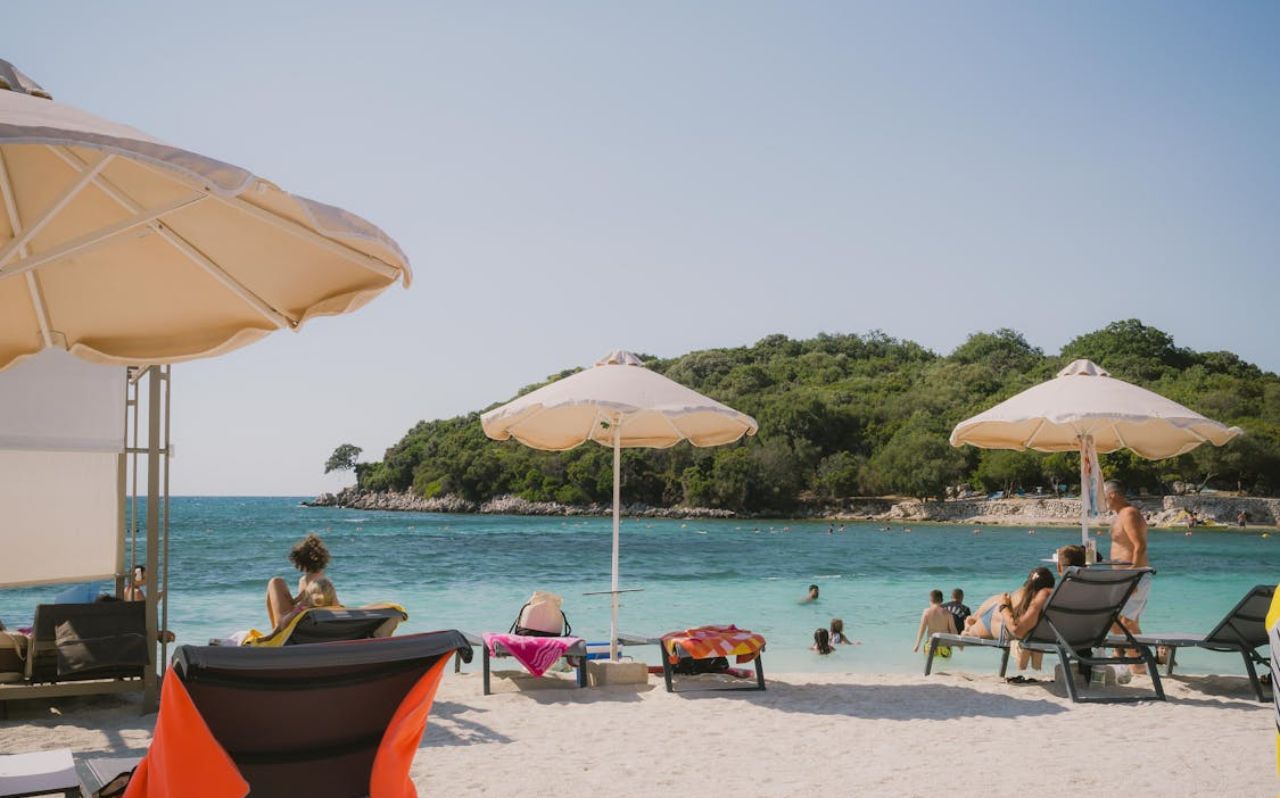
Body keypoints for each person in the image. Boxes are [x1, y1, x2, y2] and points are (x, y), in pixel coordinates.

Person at [962, 568, 1057, 670]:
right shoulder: (1046, 600)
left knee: (972, 623)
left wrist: (1003, 606)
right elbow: (1018, 630)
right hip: (999, 615)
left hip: (998, 610)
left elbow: (1017, 629)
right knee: (971, 627)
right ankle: (968, 624)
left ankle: (968, 624)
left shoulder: (1027, 597)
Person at [1106, 480, 1151, 673]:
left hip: (1133, 574)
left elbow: (1139, 546)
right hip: (1122, 575)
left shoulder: (1129, 514)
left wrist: (1132, 576)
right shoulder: (1119, 516)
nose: (1102, 500)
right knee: (1120, 621)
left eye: (1103, 495)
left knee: (1125, 622)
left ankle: (1139, 664)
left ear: (1113, 494)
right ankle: (1133, 665)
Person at [266, 533, 340, 631]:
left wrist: (291, 601)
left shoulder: (305, 580)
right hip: (319, 622)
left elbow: (298, 602)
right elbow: (336, 606)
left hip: (297, 624)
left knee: (275, 582)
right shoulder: (326, 582)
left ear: (299, 562)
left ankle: (274, 629)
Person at [913, 589, 956, 654]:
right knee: (946, 664)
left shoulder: (926, 612)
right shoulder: (948, 613)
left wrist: (917, 645)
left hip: (931, 645)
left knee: (929, 663)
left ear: (930, 600)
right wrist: (958, 644)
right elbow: (953, 630)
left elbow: (922, 629)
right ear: (942, 600)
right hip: (945, 646)